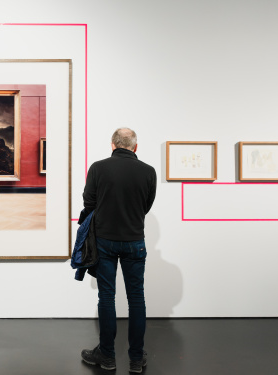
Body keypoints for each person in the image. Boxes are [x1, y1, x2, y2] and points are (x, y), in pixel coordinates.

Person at [80, 128, 157, 373]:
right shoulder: (148, 171)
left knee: (107, 297)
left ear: (113, 145)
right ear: (135, 147)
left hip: (105, 239)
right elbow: (146, 204)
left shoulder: (98, 168)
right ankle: (135, 359)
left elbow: (89, 202)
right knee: (136, 298)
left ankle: (108, 355)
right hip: (135, 240)